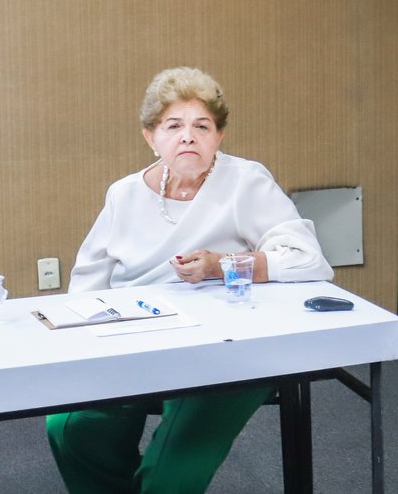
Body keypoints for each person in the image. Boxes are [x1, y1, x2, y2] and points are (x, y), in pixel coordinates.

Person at [46, 66, 333, 494]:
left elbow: (310, 261)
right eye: (173, 126)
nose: (188, 137)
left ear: (219, 136)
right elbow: (88, 283)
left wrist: (223, 265)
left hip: (229, 350)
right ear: (151, 137)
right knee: (71, 427)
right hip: (137, 344)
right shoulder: (124, 194)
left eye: (202, 126)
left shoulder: (245, 182)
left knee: (170, 472)